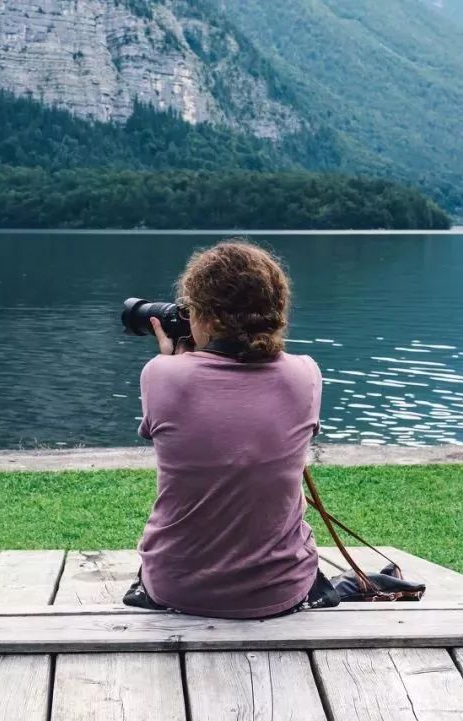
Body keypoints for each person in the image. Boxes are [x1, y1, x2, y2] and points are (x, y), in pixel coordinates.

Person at [125, 239, 339, 619]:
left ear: (204, 317)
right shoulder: (306, 373)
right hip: (282, 588)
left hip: (176, 586)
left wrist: (176, 362)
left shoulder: (161, 375)